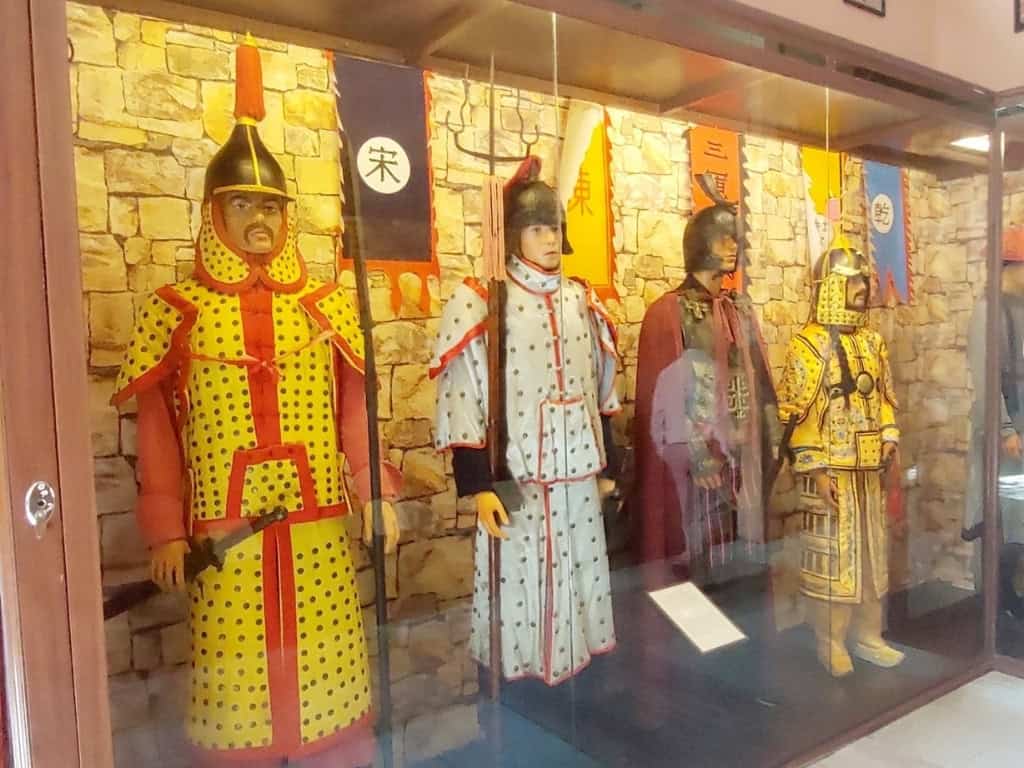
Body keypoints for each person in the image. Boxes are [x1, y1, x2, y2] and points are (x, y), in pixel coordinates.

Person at [111, 36, 399, 767]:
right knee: (238, 697)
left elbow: (353, 413)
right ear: (216, 212)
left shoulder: (325, 305)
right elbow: (159, 433)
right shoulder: (176, 311)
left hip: (317, 524)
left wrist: (373, 491)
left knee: (329, 683)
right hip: (225, 532)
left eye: (269, 203)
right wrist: (165, 530)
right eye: (242, 203)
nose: (259, 218)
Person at [431, 158, 621, 685]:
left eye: (555, 227)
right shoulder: (482, 301)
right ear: (515, 233)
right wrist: (477, 484)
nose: (550, 239)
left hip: (579, 477)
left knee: (580, 581)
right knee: (519, 587)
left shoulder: (583, 300)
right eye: (537, 228)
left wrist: (609, 466)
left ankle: (579, 689)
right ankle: (521, 695)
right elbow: (463, 395)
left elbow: (603, 388)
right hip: (515, 480)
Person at [633, 174, 779, 586]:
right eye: (723, 239)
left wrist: (772, 433)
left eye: (736, 240)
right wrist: (696, 453)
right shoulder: (668, 311)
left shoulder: (739, 308)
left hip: (742, 459)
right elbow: (662, 398)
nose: (732, 247)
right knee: (698, 559)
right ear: (700, 244)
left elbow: (760, 379)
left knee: (741, 569)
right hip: (696, 467)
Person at [778, 238, 904, 677]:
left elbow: (885, 398)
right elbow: (799, 417)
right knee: (834, 561)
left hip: (869, 473)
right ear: (830, 287)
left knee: (870, 559)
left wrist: (889, 436)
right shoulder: (807, 346)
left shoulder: (872, 342)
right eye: (852, 282)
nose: (862, 289)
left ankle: (869, 634)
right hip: (831, 475)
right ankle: (829, 640)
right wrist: (815, 470)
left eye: (863, 280)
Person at [964, 226, 1024, 618]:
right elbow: (988, 378)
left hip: (1020, 428)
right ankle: (994, 603)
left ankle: (1010, 598)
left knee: (1018, 518)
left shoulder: (1018, 307)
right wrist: (1004, 429)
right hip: (1005, 435)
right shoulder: (989, 311)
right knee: (998, 519)